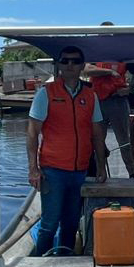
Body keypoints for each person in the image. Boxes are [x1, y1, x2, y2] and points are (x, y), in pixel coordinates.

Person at [27, 45, 107, 256]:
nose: (70, 65)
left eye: (75, 61)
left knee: (71, 224)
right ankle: (37, 264)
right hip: (53, 171)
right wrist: (33, 169)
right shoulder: (46, 94)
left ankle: (63, 261)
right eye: (65, 61)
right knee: (50, 224)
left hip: (80, 171)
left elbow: (98, 134)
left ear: (82, 65)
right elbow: (32, 133)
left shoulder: (91, 96)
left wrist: (100, 167)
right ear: (59, 65)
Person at [88, 28, 134, 177]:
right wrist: (109, 72)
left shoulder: (123, 53)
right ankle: (100, 172)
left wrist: (130, 88)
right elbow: (87, 70)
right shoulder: (94, 52)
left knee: (124, 139)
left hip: (117, 100)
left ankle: (132, 172)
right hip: (98, 102)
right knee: (98, 139)